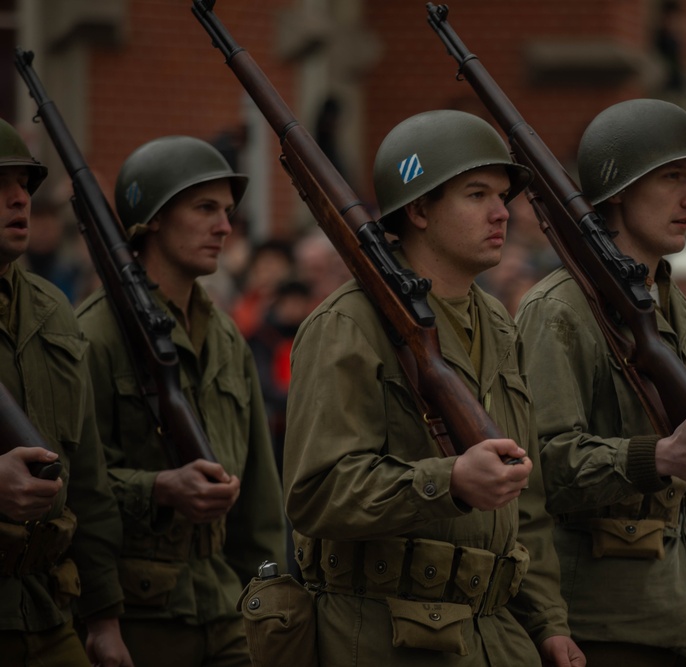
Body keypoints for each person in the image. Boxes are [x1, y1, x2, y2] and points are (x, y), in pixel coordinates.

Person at [283, 110, 584, 666]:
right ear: (419, 209)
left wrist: (548, 622)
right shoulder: (348, 324)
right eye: (477, 194)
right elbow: (318, 491)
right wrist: (449, 480)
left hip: (496, 635)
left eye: (502, 195)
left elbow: (528, 498)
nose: (503, 212)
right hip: (389, 638)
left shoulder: (495, 319)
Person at [516, 99, 686, 666]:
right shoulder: (560, 311)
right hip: (610, 630)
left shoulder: (676, 309)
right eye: (674, 177)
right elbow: (541, 470)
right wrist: (660, 457)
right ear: (617, 189)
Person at [76, 136, 286, 667]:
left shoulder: (225, 337)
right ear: (152, 220)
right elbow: (73, 485)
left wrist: (265, 601)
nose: (224, 227)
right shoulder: (95, 335)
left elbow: (259, 500)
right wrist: (160, 489)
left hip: (226, 607)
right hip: (141, 616)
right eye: (204, 208)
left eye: (228, 211)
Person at [0, 117, 132, 666]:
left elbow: (89, 477)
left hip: (50, 610)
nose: (19, 199)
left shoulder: (54, 308)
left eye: (25, 186)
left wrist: (104, 619)